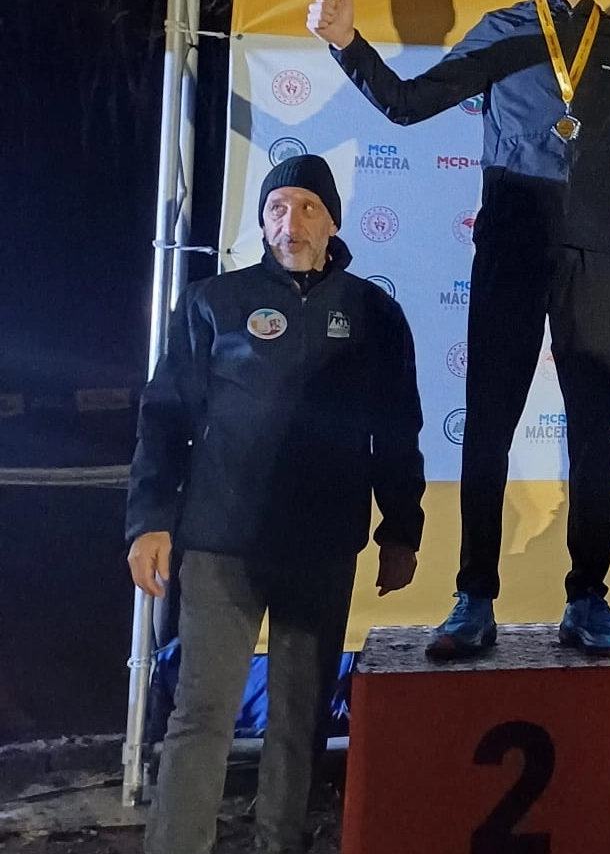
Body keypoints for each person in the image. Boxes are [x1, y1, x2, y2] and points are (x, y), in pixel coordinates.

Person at [307, 0, 610, 660]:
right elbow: (408, 103)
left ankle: (588, 601)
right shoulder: (504, 31)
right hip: (511, 249)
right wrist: (348, 45)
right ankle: (473, 598)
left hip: (596, 255)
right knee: (490, 425)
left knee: (595, 433)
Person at [126, 154, 426, 854]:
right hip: (220, 544)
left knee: (299, 720)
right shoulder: (213, 301)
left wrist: (401, 530)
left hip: (321, 548)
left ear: (333, 223)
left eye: (308, 207)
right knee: (202, 714)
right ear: (262, 223)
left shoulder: (374, 313)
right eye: (277, 208)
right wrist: (150, 521)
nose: (291, 222)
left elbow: (397, 429)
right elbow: (165, 416)